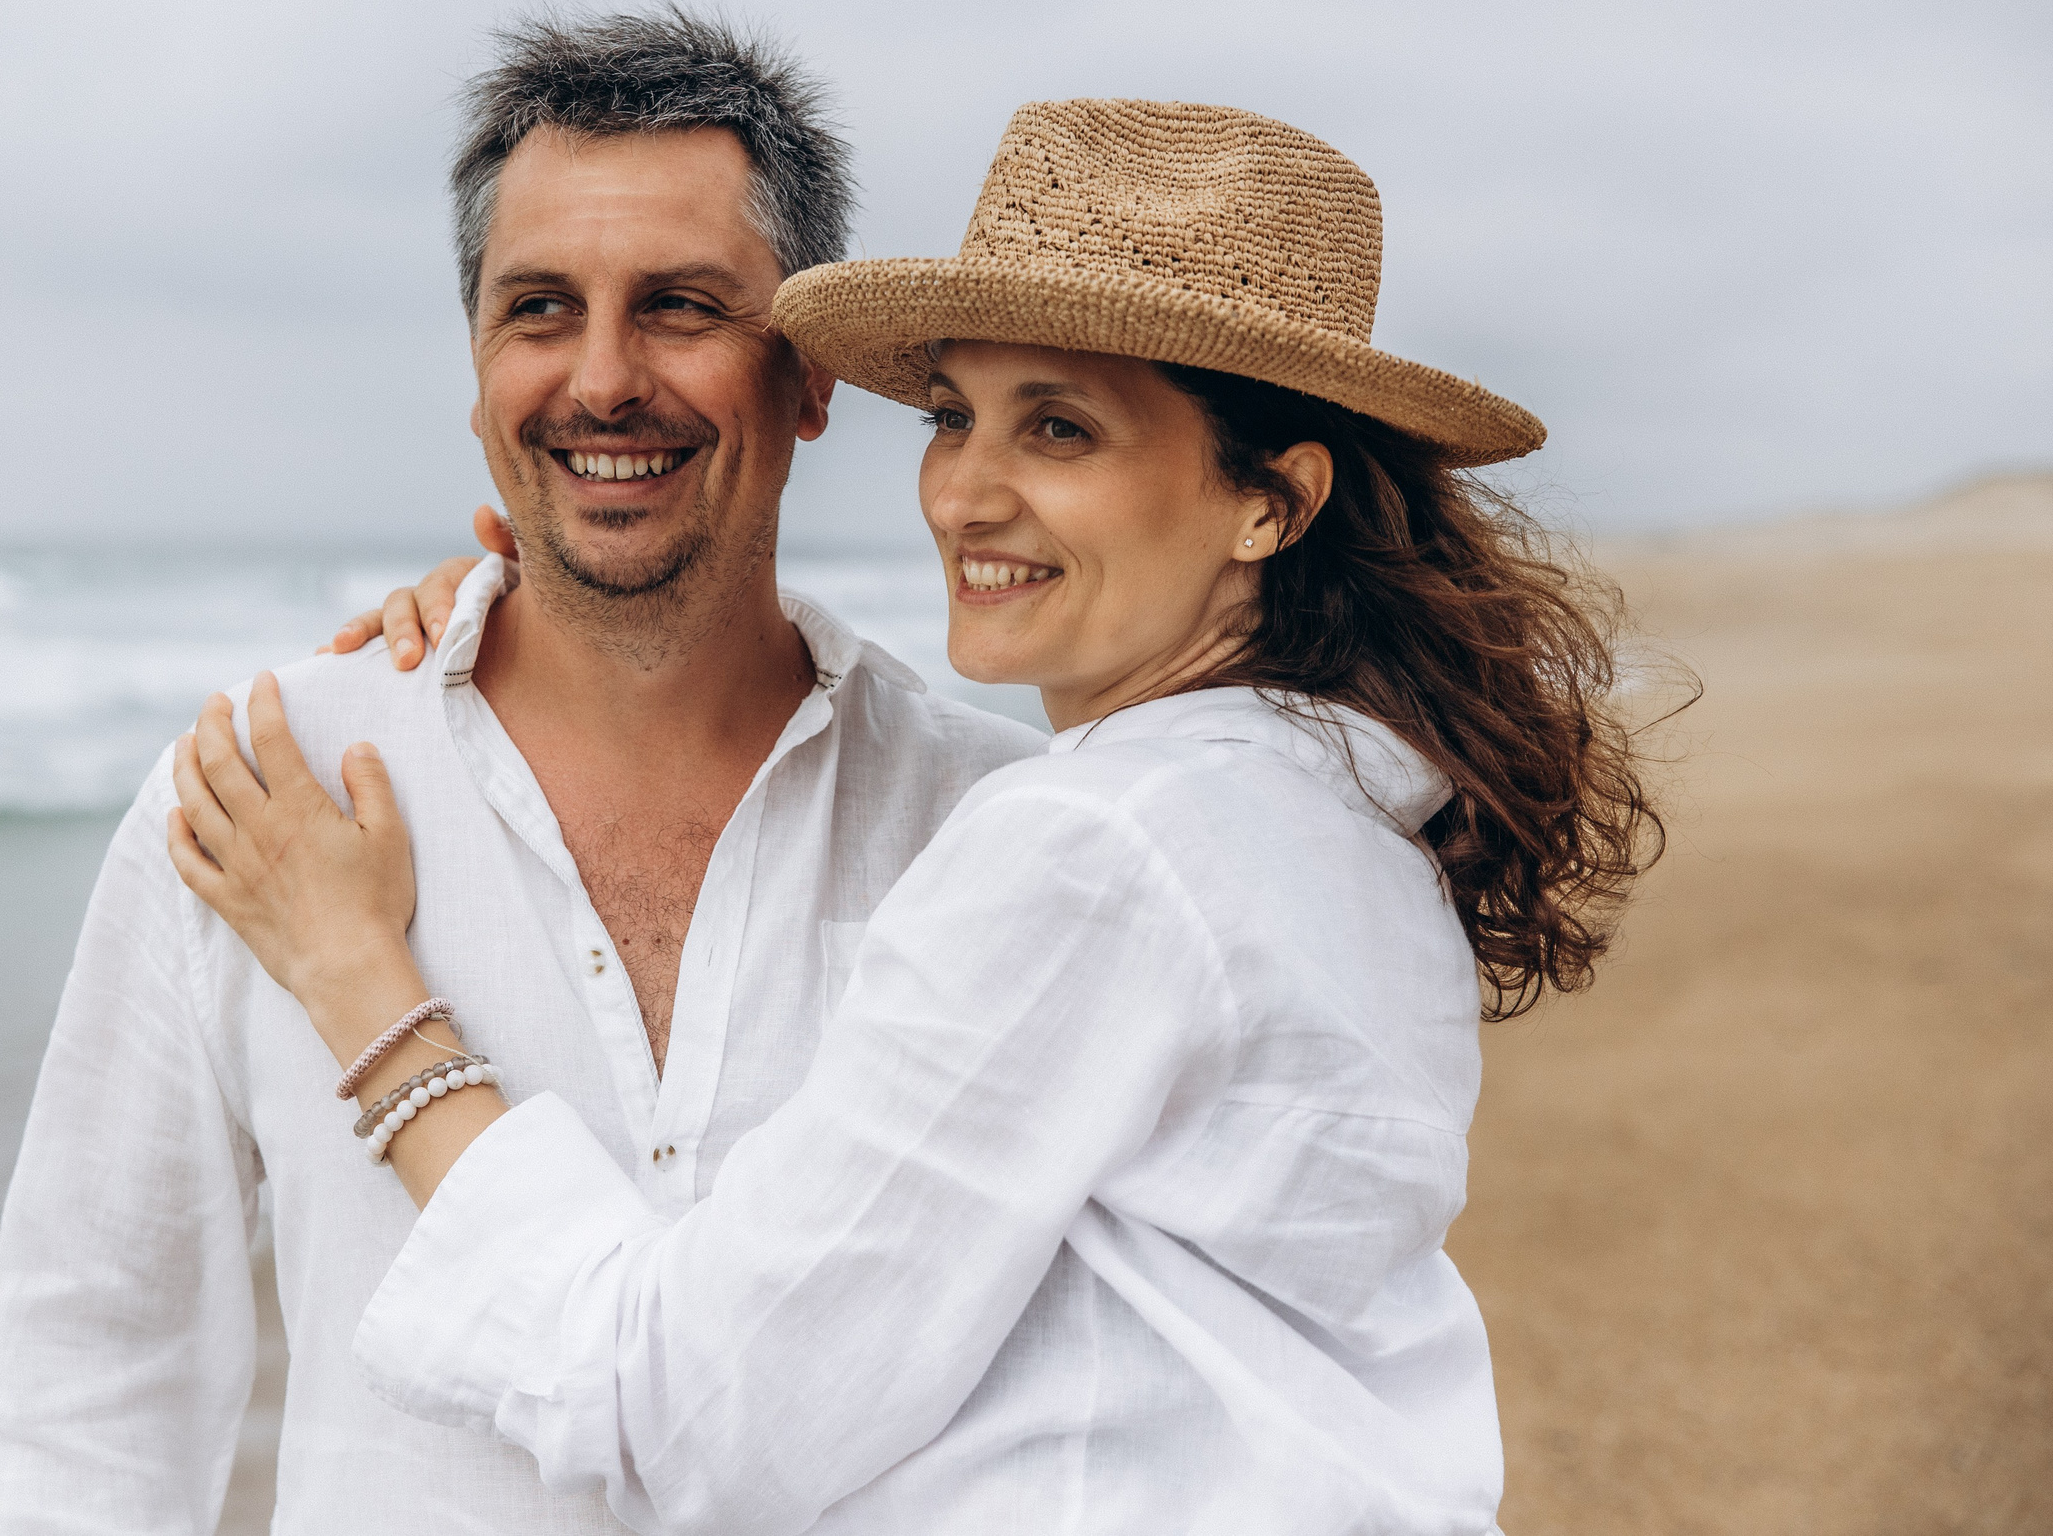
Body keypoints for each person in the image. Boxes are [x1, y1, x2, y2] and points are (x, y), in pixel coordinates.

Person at [167, 101, 1659, 1534]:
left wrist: (365, 991)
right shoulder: (1339, 822)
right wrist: (550, 607)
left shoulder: (1099, 847)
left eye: (1060, 430)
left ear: (1272, 501)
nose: (963, 495)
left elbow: (694, 1420)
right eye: (956, 417)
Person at [0, 9, 1045, 1534]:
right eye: (539, 309)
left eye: (679, 307)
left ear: (808, 378)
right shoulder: (266, 796)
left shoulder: (997, 830)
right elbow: (91, 1385)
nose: (602, 380)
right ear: (477, 372)